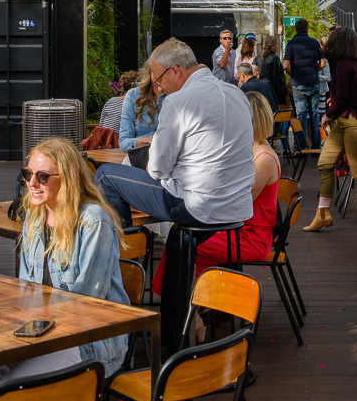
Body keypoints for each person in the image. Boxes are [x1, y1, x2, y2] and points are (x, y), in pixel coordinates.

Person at [0, 138, 129, 401]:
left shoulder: (93, 221)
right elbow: (26, 292)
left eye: (41, 177)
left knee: (6, 390)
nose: (31, 184)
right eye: (27, 174)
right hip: (42, 332)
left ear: (66, 178)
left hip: (88, 339)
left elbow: (87, 306)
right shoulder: (35, 219)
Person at [91, 38, 256, 347]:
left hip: (195, 208)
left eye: (158, 80)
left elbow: (157, 168)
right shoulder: (236, 94)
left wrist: (167, 163)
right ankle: (174, 313)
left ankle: (128, 268)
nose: (158, 88)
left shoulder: (178, 103)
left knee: (105, 176)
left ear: (176, 71)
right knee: (179, 235)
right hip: (236, 208)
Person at [153, 92, 281, 295]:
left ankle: (191, 314)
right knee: (181, 242)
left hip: (250, 237)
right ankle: (193, 306)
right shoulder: (252, 151)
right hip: (236, 229)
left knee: (183, 248)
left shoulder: (263, 159)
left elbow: (239, 204)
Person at [306, 27, 357, 231]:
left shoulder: (345, 65)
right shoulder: (352, 64)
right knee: (325, 164)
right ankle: (322, 214)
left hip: (354, 123)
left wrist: (328, 114)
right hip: (347, 121)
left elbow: (343, 96)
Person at [283, 19, 327, 151]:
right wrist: (315, 71)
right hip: (313, 82)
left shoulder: (291, 44)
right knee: (314, 114)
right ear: (308, 29)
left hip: (299, 83)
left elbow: (285, 65)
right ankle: (315, 145)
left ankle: (302, 146)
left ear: (295, 29)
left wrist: (293, 74)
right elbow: (323, 63)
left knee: (301, 114)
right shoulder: (315, 43)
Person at [118, 64, 165, 151]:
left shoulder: (178, 95)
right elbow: (123, 141)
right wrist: (140, 141)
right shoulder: (133, 95)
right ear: (150, 71)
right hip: (141, 156)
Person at [260, 34, 288, 122]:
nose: (277, 46)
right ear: (272, 46)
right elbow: (276, 78)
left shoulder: (265, 58)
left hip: (267, 90)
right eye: (276, 44)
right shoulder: (274, 59)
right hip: (276, 93)